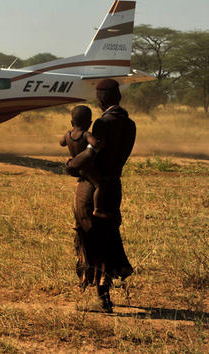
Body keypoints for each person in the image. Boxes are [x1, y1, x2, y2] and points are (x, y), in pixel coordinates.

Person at [66, 78, 135, 313]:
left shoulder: (102, 124)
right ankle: (105, 290)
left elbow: (91, 154)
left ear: (101, 98)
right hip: (114, 185)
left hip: (92, 186)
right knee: (108, 235)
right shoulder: (130, 124)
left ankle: (101, 298)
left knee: (91, 238)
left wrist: (71, 164)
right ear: (119, 96)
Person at [59, 105, 106, 218]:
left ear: (71, 122)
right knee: (100, 185)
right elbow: (94, 143)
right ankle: (98, 209)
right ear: (89, 123)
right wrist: (101, 143)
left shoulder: (68, 134)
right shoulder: (86, 134)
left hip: (75, 168)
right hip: (86, 167)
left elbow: (61, 143)